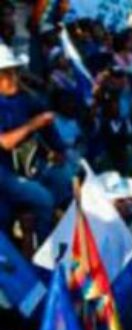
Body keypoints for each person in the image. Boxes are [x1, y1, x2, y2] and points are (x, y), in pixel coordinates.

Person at [0, 45, 55, 236]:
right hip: (4, 172)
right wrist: (32, 125)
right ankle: (42, 246)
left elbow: (42, 112)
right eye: (6, 74)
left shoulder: (21, 97)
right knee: (44, 199)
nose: (13, 78)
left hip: (26, 164)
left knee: (63, 177)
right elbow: (5, 142)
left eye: (14, 72)